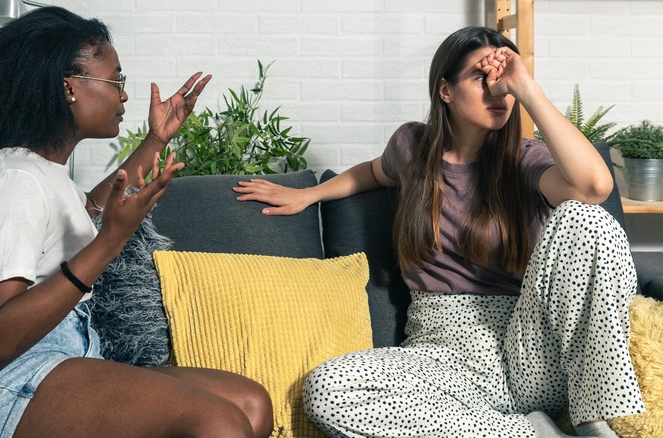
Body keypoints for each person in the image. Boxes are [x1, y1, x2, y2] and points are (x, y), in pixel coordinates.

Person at [233, 26, 644, 438]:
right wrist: (309, 194)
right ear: (445, 90)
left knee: (587, 217)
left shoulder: (526, 159)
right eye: (481, 78)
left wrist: (525, 87)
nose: (497, 91)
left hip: (531, 349)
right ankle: (530, 434)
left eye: (504, 80)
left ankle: (592, 420)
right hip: (443, 356)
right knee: (329, 390)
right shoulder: (412, 148)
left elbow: (594, 188)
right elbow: (374, 172)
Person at [0, 6, 273, 438]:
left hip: (64, 359)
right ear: (69, 88)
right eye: (117, 81)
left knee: (251, 404)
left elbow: (88, 213)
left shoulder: (42, 170)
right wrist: (111, 241)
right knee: (218, 424)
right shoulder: (13, 182)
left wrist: (157, 139)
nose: (125, 96)